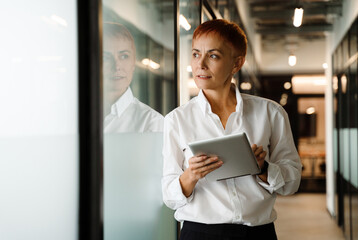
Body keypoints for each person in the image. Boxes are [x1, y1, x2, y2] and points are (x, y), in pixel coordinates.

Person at [162, 19, 302, 239]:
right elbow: (169, 196)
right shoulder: (176, 120)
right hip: (199, 233)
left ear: (237, 64)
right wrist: (191, 175)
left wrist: (263, 167)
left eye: (213, 55)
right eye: (196, 54)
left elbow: (292, 182)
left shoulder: (270, 113)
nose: (201, 64)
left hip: (258, 234)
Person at [102, 22, 163, 133]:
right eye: (106, 58)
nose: (116, 66)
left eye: (124, 56)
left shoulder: (152, 123)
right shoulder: (71, 115)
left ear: (133, 62)